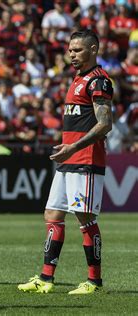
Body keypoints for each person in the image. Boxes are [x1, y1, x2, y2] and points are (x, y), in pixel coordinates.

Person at [18, 30, 113, 294]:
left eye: (78, 50)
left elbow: (105, 124)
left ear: (93, 49)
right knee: (52, 215)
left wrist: (73, 147)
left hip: (86, 159)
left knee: (85, 219)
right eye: (70, 50)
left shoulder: (99, 81)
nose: (72, 54)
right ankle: (46, 278)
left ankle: (94, 281)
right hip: (68, 159)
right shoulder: (78, 78)